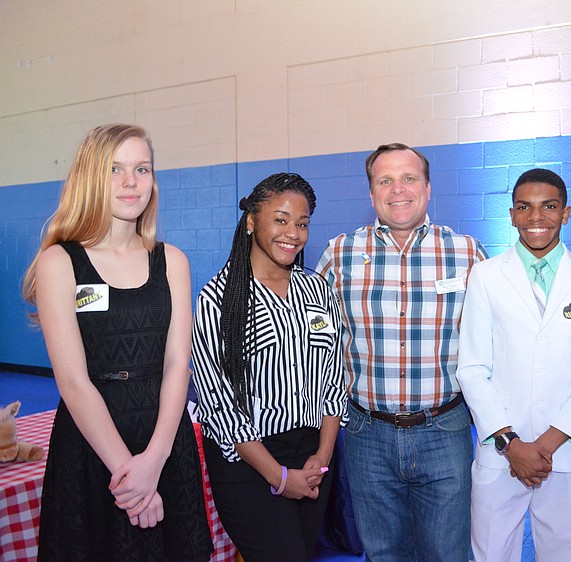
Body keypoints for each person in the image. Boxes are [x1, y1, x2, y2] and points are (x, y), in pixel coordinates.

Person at [22, 123, 212, 561]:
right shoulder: (60, 262)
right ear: (91, 177)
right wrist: (130, 476)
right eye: (115, 169)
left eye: (141, 168)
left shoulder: (172, 261)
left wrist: (155, 461)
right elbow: (72, 382)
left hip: (164, 441)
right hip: (94, 446)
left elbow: (176, 365)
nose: (131, 181)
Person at [316, 143, 487, 561]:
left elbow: (495, 343)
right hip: (365, 435)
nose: (398, 189)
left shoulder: (468, 254)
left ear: (428, 188)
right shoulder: (339, 254)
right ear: (372, 193)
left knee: (447, 552)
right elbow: (312, 338)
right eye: (385, 180)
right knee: (382, 553)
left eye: (409, 178)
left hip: (444, 431)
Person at [456, 168, 571, 562]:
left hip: (563, 451)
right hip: (501, 450)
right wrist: (512, 444)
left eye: (549, 207)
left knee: (562, 554)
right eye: (524, 208)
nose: (536, 217)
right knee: (492, 553)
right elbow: (472, 368)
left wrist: (544, 446)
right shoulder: (487, 276)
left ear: (565, 213)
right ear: (511, 215)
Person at [191, 172, 346, 562]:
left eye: (302, 223)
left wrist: (323, 455)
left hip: (313, 454)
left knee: (301, 552)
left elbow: (333, 377)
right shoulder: (218, 300)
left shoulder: (318, 290)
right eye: (280, 219)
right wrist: (279, 477)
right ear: (250, 222)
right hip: (250, 460)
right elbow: (220, 405)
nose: (292, 232)